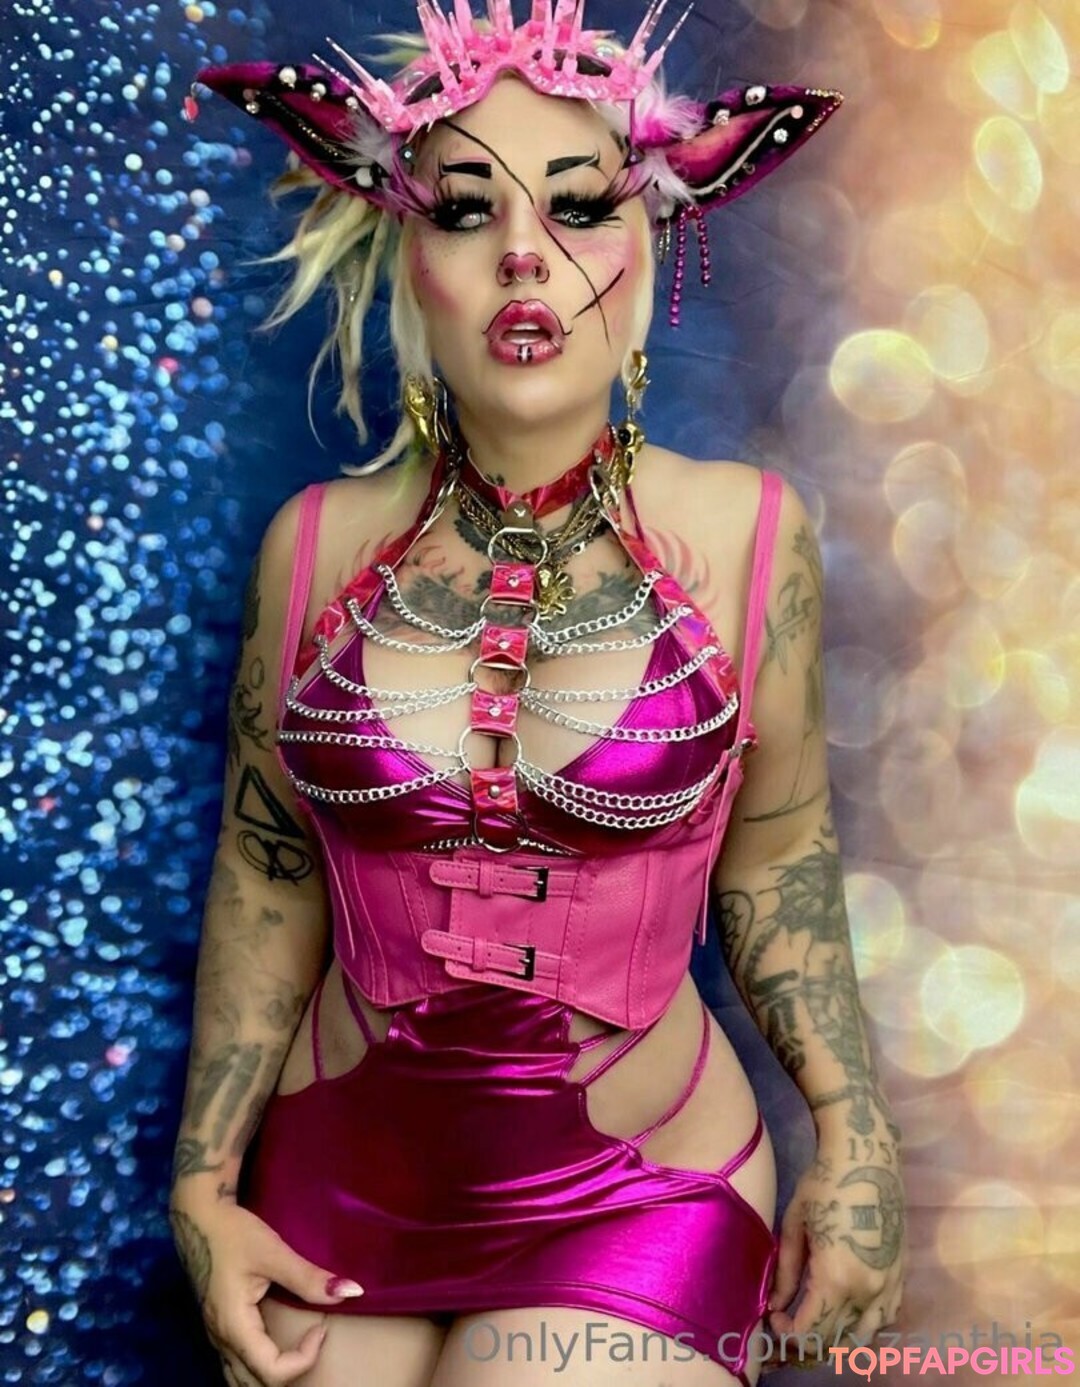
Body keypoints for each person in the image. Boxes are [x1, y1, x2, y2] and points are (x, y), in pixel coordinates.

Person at [168, 5, 905, 1385]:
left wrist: (855, 1136)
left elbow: (781, 846)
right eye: (465, 210)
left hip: (642, 1189)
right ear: (409, 252)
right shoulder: (312, 546)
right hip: (337, 1188)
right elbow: (268, 870)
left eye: (578, 206)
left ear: (649, 243)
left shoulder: (751, 534)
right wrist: (204, 1188)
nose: (524, 253)